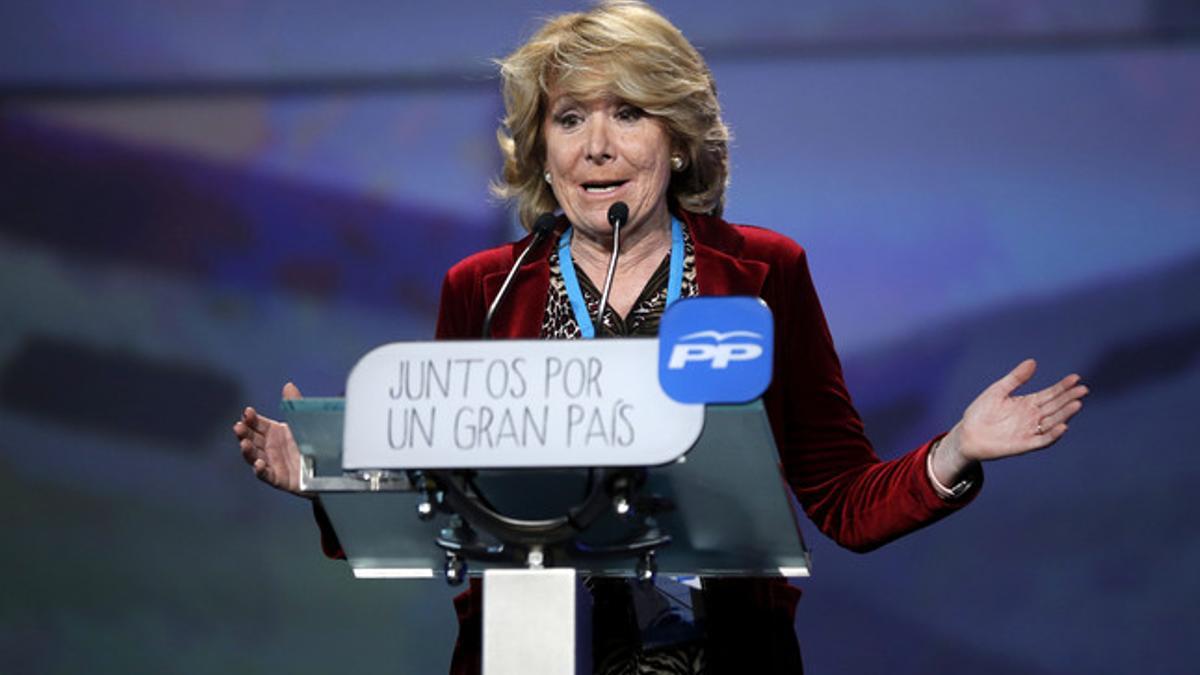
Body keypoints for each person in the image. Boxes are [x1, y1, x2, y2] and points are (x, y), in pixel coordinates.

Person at [234, 2, 1088, 673]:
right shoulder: (485, 291)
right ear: (541, 145)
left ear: (676, 140)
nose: (596, 147)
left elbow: (841, 499)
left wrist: (956, 450)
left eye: (628, 113)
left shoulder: (760, 272)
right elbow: (450, 508)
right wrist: (325, 475)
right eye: (569, 119)